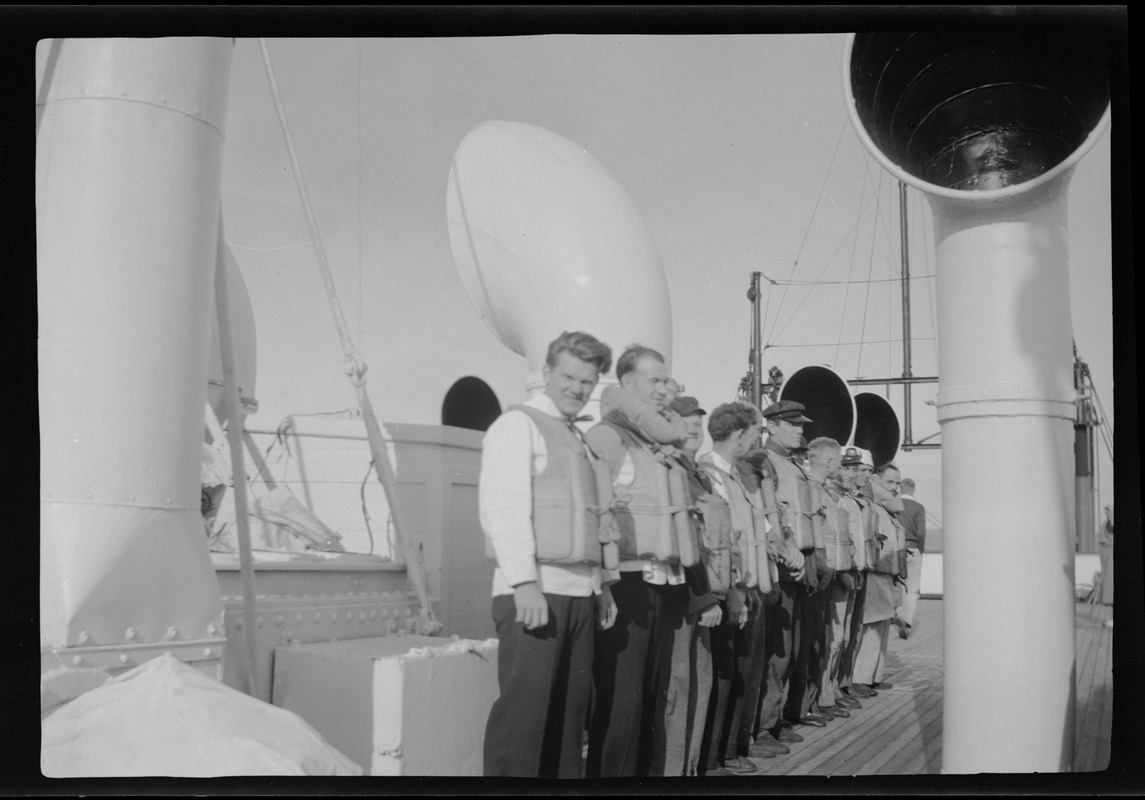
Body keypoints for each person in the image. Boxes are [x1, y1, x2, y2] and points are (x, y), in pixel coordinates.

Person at [480, 331, 619, 778]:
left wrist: (600, 589)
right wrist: (523, 584)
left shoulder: (574, 436)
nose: (577, 388)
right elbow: (503, 509)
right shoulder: (517, 425)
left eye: (588, 380)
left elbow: (588, 520)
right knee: (523, 723)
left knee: (567, 723)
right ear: (546, 374)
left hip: (578, 595)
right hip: (536, 594)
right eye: (569, 376)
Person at [585, 345, 697, 778]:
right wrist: (603, 586)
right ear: (627, 384)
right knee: (621, 704)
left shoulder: (655, 443)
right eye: (654, 381)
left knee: (652, 697)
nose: (664, 389)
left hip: (662, 585)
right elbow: (593, 515)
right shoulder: (608, 438)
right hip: (627, 587)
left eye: (666, 381)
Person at [697, 401, 772, 775]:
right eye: (755, 432)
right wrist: (738, 593)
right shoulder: (711, 475)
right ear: (740, 435)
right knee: (724, 676)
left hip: (746, 588)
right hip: (730, 592)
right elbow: (724, 540)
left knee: (738, 675)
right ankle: (713, 759)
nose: (757, 440)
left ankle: (727, 752)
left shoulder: (733, 476)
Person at [749, 399, 821, 746]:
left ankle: (773, 720)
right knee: (777, 650)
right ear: (772, 425)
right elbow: (767, 519)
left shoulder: (791, 464)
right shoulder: (765, 462)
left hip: (799, 565)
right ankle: (762, 728)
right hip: (780, 567)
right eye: (793, 424)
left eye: (802, 424)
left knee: (790, 650)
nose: (800, 430)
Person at [665, 395, 723, 776]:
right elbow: (685, 540)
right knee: (680, 688)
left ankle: (688, 768)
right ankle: (674, 770)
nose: (693, 432)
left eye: (697, 426)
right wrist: (702, 598)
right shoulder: (673, 473)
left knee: (698, 683)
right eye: (685, 424)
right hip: (684, 598)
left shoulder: (698, 473)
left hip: (703, 593)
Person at [804, 436, 858, 719]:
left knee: (832, 639)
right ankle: (815, 700)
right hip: (818, 578)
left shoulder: (825, 492)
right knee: (819, 641)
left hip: (832, 576)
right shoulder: (813, 490)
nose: (843, 469)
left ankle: (823, 696)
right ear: (829, 461)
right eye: (839, 462)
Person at [851, 462, 906, 695]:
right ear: (876, 481)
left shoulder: (887, 510)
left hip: (887, 573)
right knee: (871, 626)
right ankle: (859, 678)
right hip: (875, 572)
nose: (894, 488)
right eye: (889, 482)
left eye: (897, 483)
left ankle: (874, 676)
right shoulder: (874, 504)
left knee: (881, 626)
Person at [893, 477, 927, 638]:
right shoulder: (918, 508)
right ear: (913, 489)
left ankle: (898, 613)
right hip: (913, 549)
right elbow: (920, 533)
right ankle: (907, 620)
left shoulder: (895, 504)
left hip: (896, 549)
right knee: (912, 589)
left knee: (898, 584)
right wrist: (920, 549)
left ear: (900, 489)